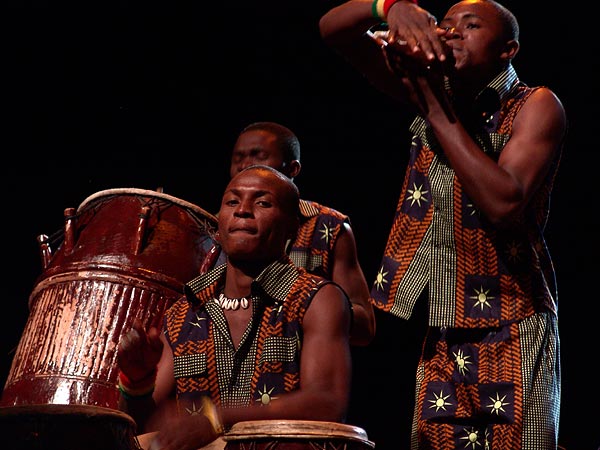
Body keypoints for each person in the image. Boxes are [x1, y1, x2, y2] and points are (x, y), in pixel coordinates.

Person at [319, 1, 565, 449]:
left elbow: (503, 201)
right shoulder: (432, 90)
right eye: (446, 25)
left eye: (471, 26)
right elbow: (333, 30)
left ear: (508, 48)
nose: (453, 33)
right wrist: (389, 8)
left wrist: (433, 106)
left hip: (514, 320)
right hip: (445, 324)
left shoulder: (535, 103)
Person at [116, 165, 353, 450]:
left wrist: (217, 419)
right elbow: (145, 423)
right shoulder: (185, 310)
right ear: (218, 225)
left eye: (263, 203)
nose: (243, 210)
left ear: (293, 226)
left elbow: (326, 401)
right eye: (232, 202)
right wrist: (137, 382)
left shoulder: (316, 298)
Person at [203, 121, 376, 347]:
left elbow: (364, 326)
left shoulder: (329, 226)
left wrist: (310, 308)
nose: (245, 165)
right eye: (238, 158)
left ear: (293, 169)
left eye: (258, 155)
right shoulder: (212, 227)